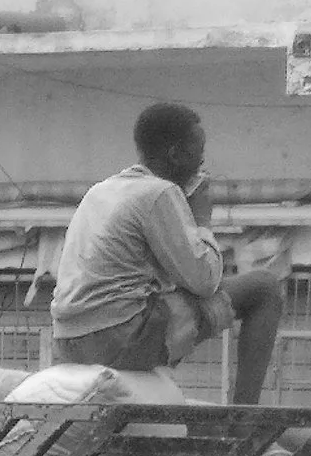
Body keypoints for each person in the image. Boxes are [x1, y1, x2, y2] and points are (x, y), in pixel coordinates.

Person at [49, 101, 284, 406]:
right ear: (175, 154)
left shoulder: (102, 190)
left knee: (170, 301)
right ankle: (244, 418)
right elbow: (205, 281)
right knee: (264, 288)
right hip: (116, 339)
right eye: (197, 153)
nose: (201, 162)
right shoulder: (159, 193)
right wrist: (200, 218)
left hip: (67, 342)